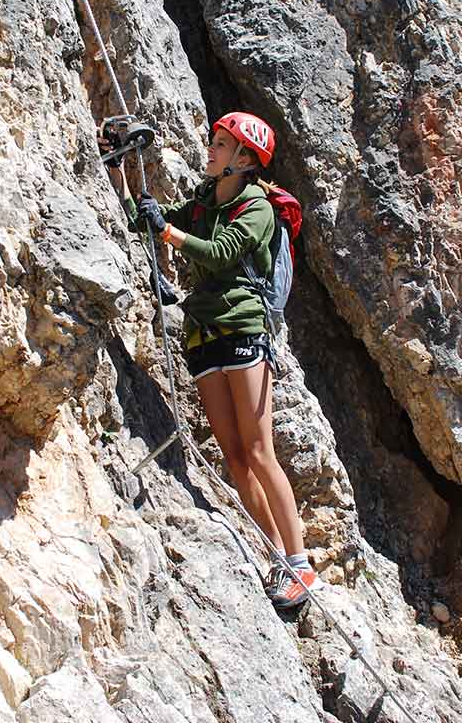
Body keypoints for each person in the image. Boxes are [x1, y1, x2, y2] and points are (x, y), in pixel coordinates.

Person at [102, 111, 319, 608]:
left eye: (221, 145)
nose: (211, 149)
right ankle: (275, 557)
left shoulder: (257, 208)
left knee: (259, 450)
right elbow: (154, 220)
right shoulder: (203, 199)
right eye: (215, 142)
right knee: (234, 456)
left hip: (242, 328)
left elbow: (220, 254)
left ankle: (300, 562)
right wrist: (128, 182)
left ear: (244, 160)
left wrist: (168, 233)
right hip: (203, 331)